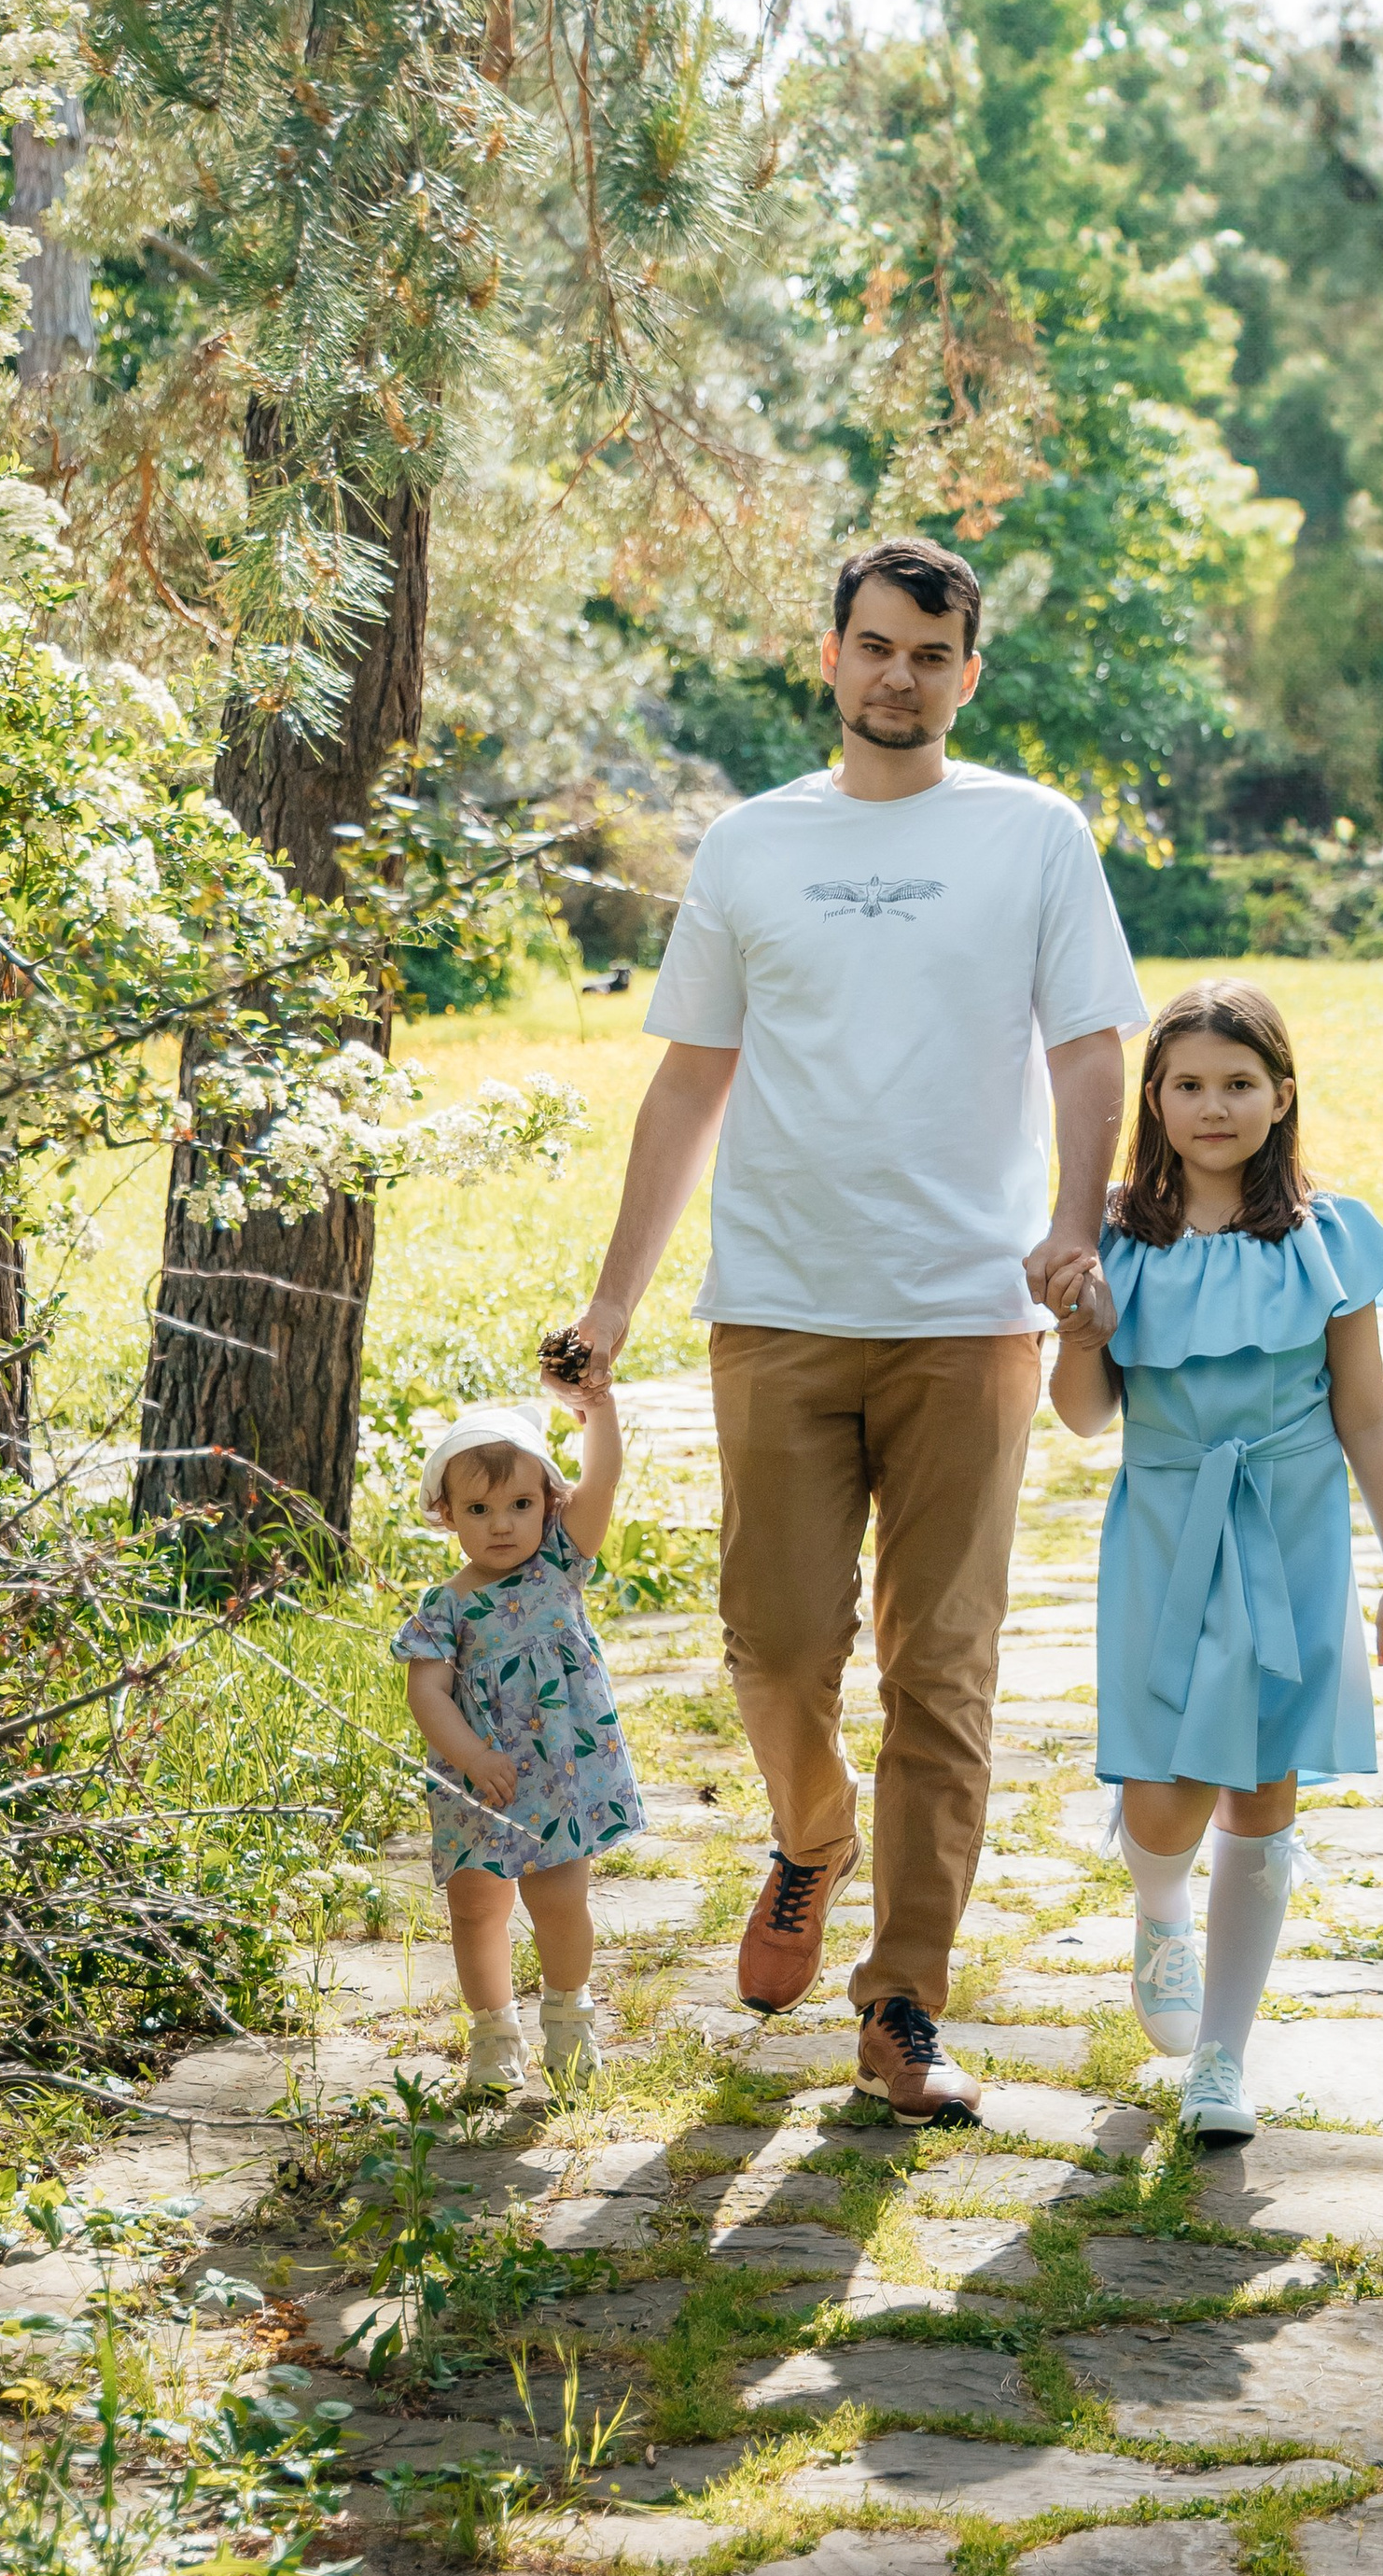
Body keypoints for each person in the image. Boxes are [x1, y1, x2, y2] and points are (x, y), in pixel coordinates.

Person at [565, 534, 1144, 2131]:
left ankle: (902, 1999)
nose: (901, 675)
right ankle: (810, 1836)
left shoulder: (1031, 836)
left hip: (970, 1317)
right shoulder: (753, 847)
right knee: (773, 1643)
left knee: (942, 1669)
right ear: (828, 656)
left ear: (970, 672)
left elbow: (1094, 1047)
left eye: (932, 654)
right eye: (875, 645)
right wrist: (615, 1301)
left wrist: (1073, 1226)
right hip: (779, 1305)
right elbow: (691, 1076)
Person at [1048, 977, 1383, 2144]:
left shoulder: (1328, 1237)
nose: (1212, 1106)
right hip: (1169, 1528)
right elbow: (1080, 1416)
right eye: (1187, 1085)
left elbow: (1366, 1414)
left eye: (1237, 1084)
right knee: (1166, 1803)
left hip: (1293, 1524)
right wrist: (1081, 1332)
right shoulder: (1115, 1234)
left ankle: (1222, 2060)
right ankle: (1156, 1897)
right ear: (1153, 1101)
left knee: (1263, 1789)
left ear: (1280, 1097)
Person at [393, 1386, 641, 2098]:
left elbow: (606, 1478)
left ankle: (569, 2017)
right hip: (479, 1780)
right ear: (446, 1515)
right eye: (478, 1510)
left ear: (549, 1504)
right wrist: (471, 1756)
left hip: (559, 1775)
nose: (501, 1525)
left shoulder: (561, 1563)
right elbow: (427, 1692)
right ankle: (494, 2038)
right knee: (477, 1906)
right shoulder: (445, 1606)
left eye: (520, 1506)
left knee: (559, 1901)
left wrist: (601, 1411)